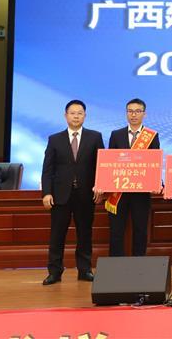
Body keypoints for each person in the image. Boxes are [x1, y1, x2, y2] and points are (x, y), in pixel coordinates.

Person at [41, 100, 104, 285]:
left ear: (85, 116)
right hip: (60, 195)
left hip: (86, 194)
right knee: (57, 235)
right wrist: (46, 192)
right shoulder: (55, 139)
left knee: (85, 234)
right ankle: (55, 272)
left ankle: (84, 270)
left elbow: (101, 165)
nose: (76, 116)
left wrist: (100, 186)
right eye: (72, 113)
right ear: (65, 115)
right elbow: (48, 169)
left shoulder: (95, 137)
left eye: (80, 113)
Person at [106, 98, 160, 257]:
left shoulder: (152, 136)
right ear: (126, 113)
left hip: (141, 193)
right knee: (116, 231)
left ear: (144, 114)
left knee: (140, 230)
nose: (133, 115)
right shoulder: (116, 135)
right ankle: (116, 265)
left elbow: (154, 163)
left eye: (137, 111)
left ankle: (139, 264)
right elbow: (110, 163)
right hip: (119, 192)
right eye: (130, 111)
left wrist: (157, 182)